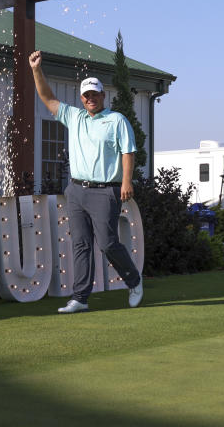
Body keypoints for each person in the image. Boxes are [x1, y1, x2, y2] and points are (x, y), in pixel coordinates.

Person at [28, 50, 143, 313]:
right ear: (81, 99)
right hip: (76, 190)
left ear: (104, 96)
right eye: (86, 95)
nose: (91, 98)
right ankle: (80, 298)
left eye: (95, 94)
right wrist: (36, 69)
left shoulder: (117, 120)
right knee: (80, 244)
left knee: (107, 243)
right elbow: (47, 98)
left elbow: (128, 152)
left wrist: (127, 181)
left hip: (106, 191)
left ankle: (134, 281)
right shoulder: (74, 116)